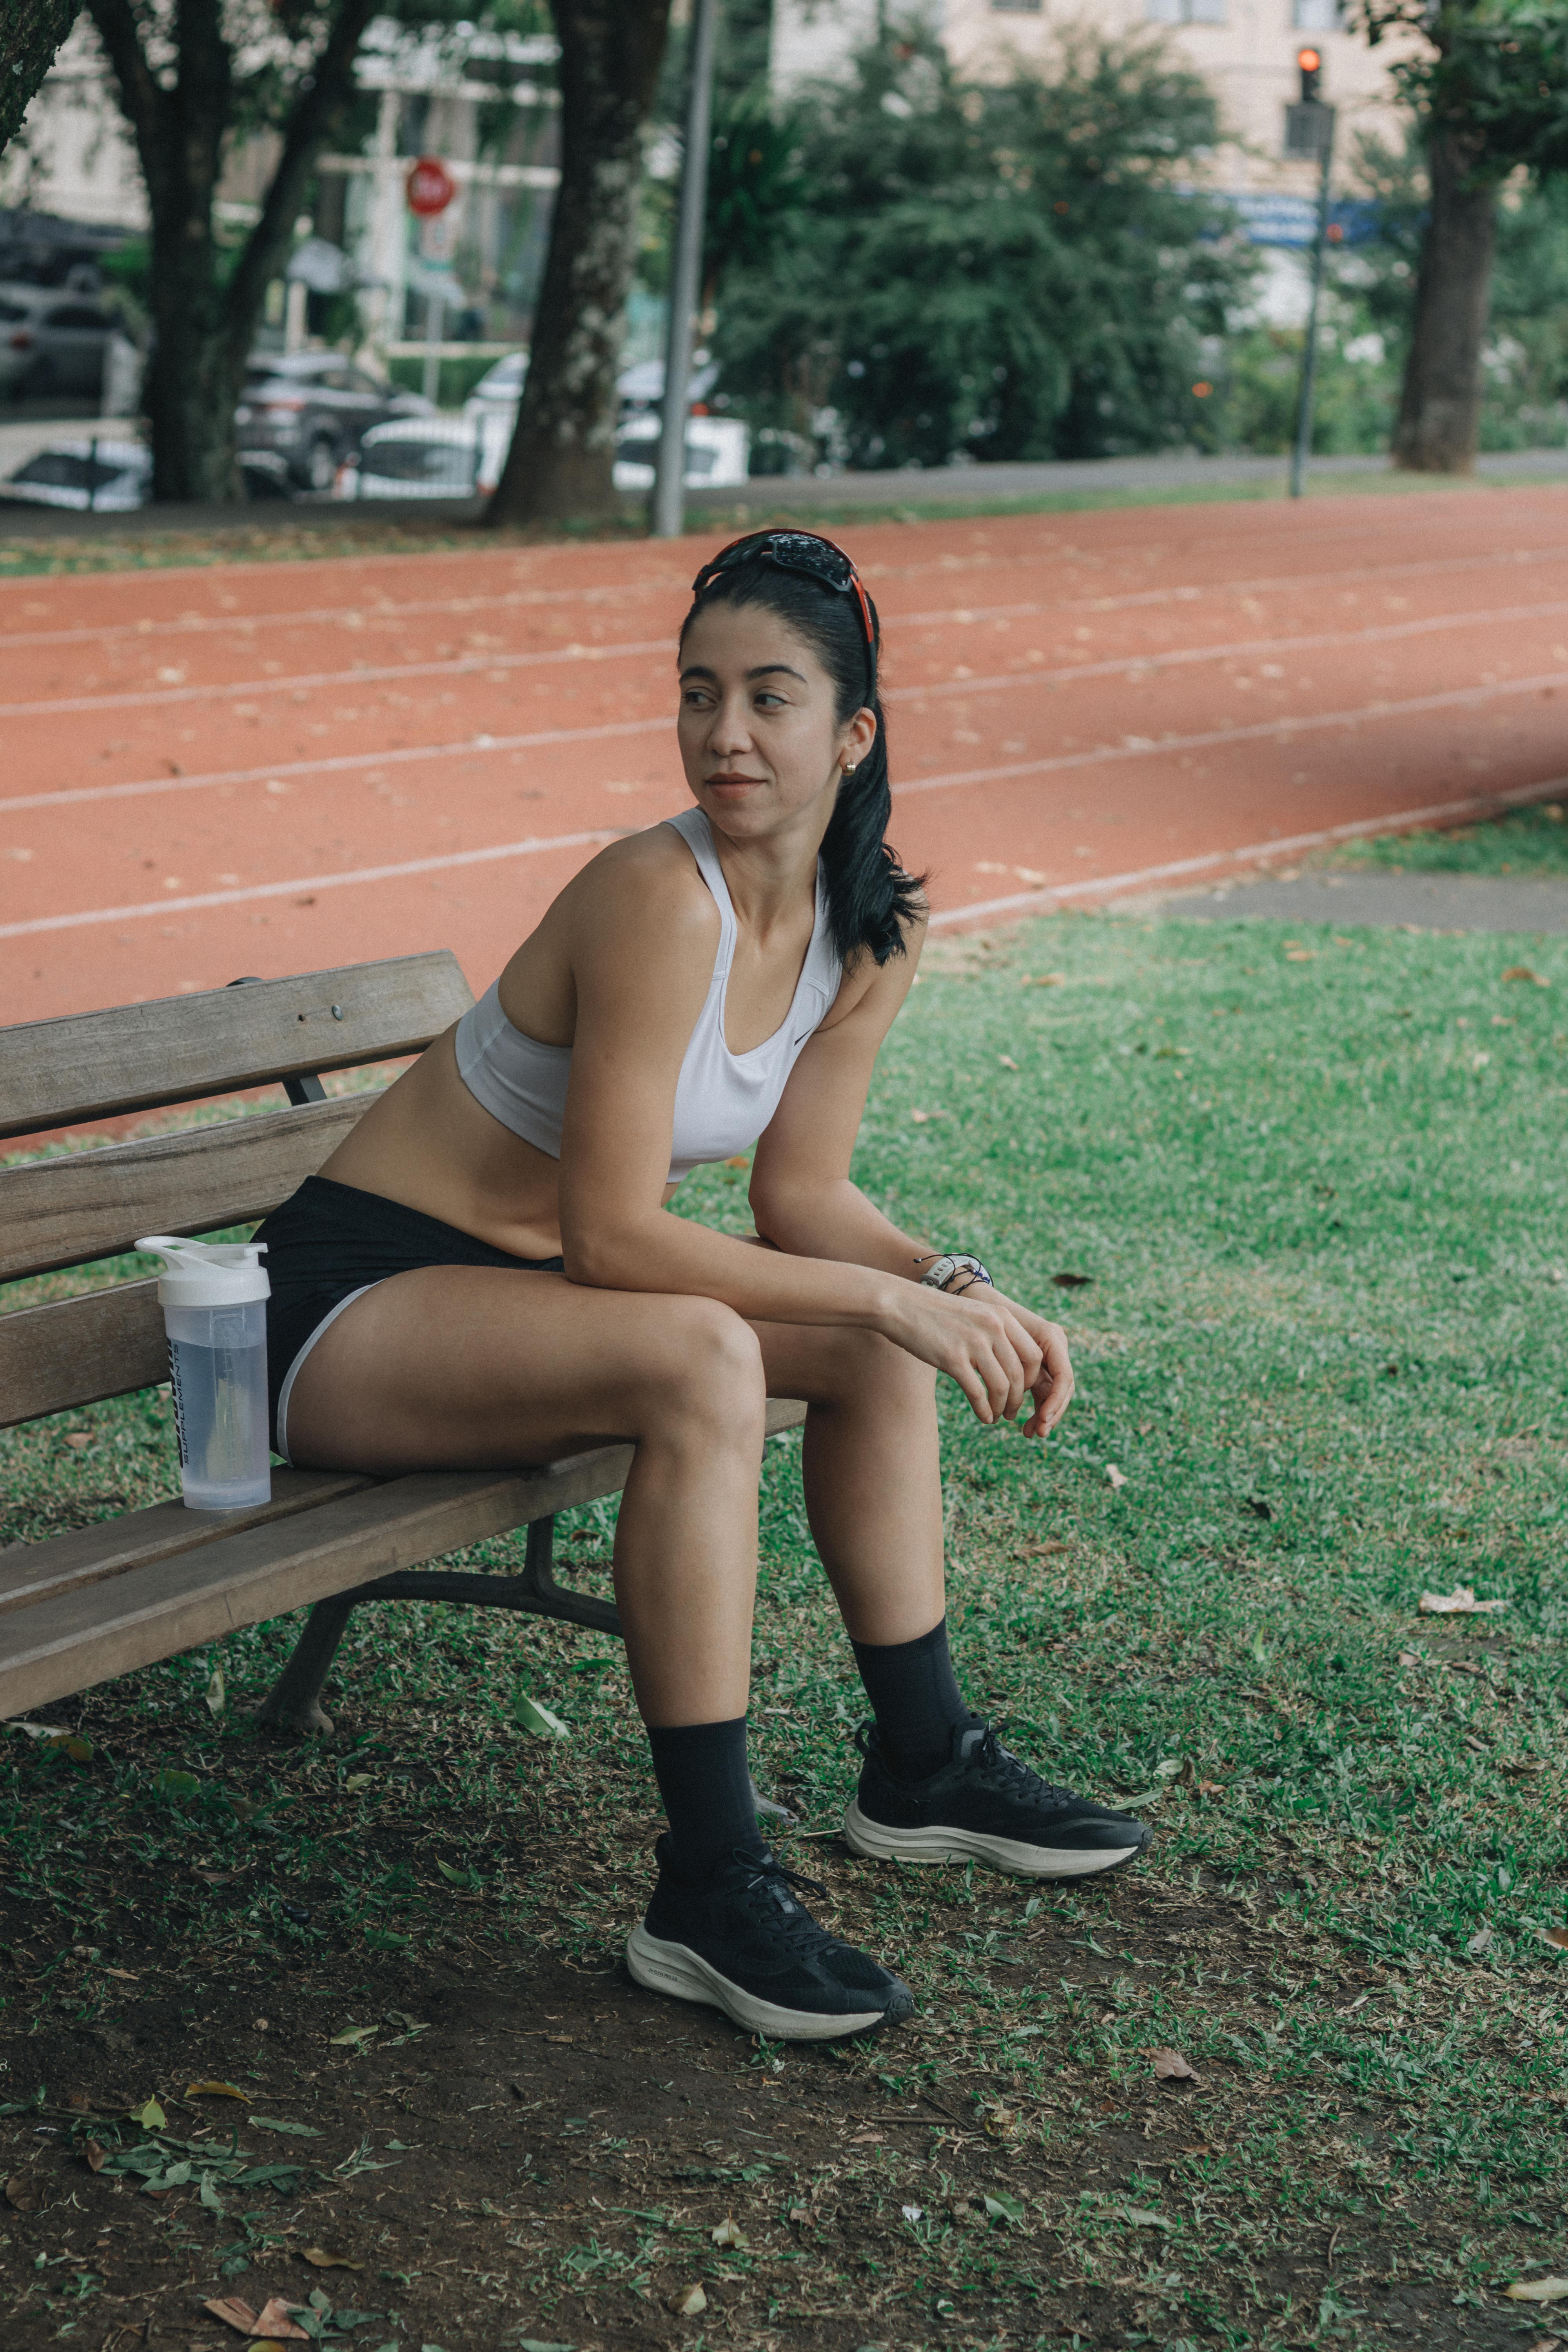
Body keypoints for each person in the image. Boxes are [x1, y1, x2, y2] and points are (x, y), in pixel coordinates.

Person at [253, 529, 1151, 2042]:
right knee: (709, 1360)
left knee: (863, 1352)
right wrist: (880, 1302)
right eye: (698, 694)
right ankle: (708, 1886)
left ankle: (922, 1766)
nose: (724, 735)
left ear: (853, 732)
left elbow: (800, 1196)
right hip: (356, 1303)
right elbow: (612, 1235)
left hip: (522, 1306)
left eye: (772, 697)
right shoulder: (657, 896)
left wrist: (946, 1284)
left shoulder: (872, 932)